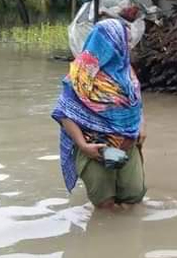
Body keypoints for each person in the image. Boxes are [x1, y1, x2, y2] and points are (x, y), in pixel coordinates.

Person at [52, 18, 146, 209]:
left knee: (133, 199)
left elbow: (136, 105)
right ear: (106, 43)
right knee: (105, 206)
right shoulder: (80, 76)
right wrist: (83, 145)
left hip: (128, 145)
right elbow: (64, 113)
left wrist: (141, 125)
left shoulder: (126, 72)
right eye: (123, 40)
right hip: (95, 150)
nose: (127, 45)